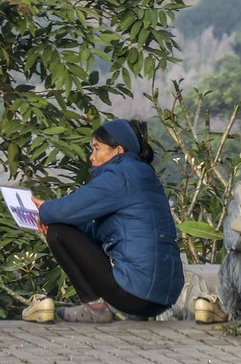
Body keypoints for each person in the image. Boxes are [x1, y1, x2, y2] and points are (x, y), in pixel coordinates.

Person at [23, 118, 184, 323]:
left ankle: (94, 308)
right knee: (68, 228)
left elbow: (65, 209)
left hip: (136, 295)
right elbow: (97, 232)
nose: (92, 157)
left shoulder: (119, 176)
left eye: (97, 148)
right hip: (165, 295)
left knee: (57, 231)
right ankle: (137, 314)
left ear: (118, 151)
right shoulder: (144, 175)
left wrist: (44, 210)